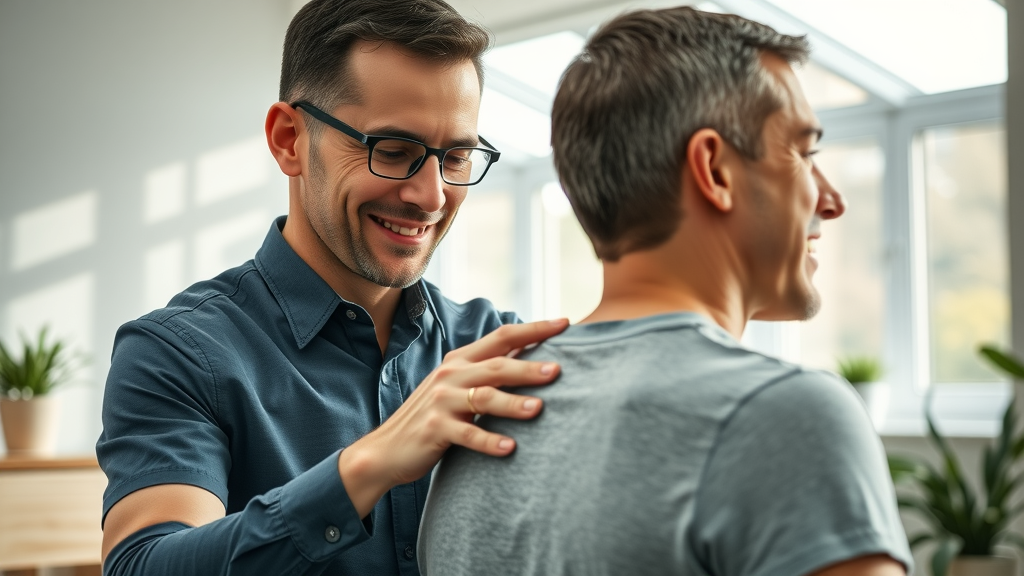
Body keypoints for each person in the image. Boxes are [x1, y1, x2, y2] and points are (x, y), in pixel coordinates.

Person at [419, 7, 913, 576]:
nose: (830, 200)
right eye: (802, 154)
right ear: (715, 169)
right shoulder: (785, 417)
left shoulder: (472, 420)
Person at [96, 1, 568, 574]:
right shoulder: (178, 354)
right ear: (289, 139)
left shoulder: (496, 345)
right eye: (393, 151)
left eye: (457, 157)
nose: (433, 196)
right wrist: (369, 466)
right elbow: (143, 566)